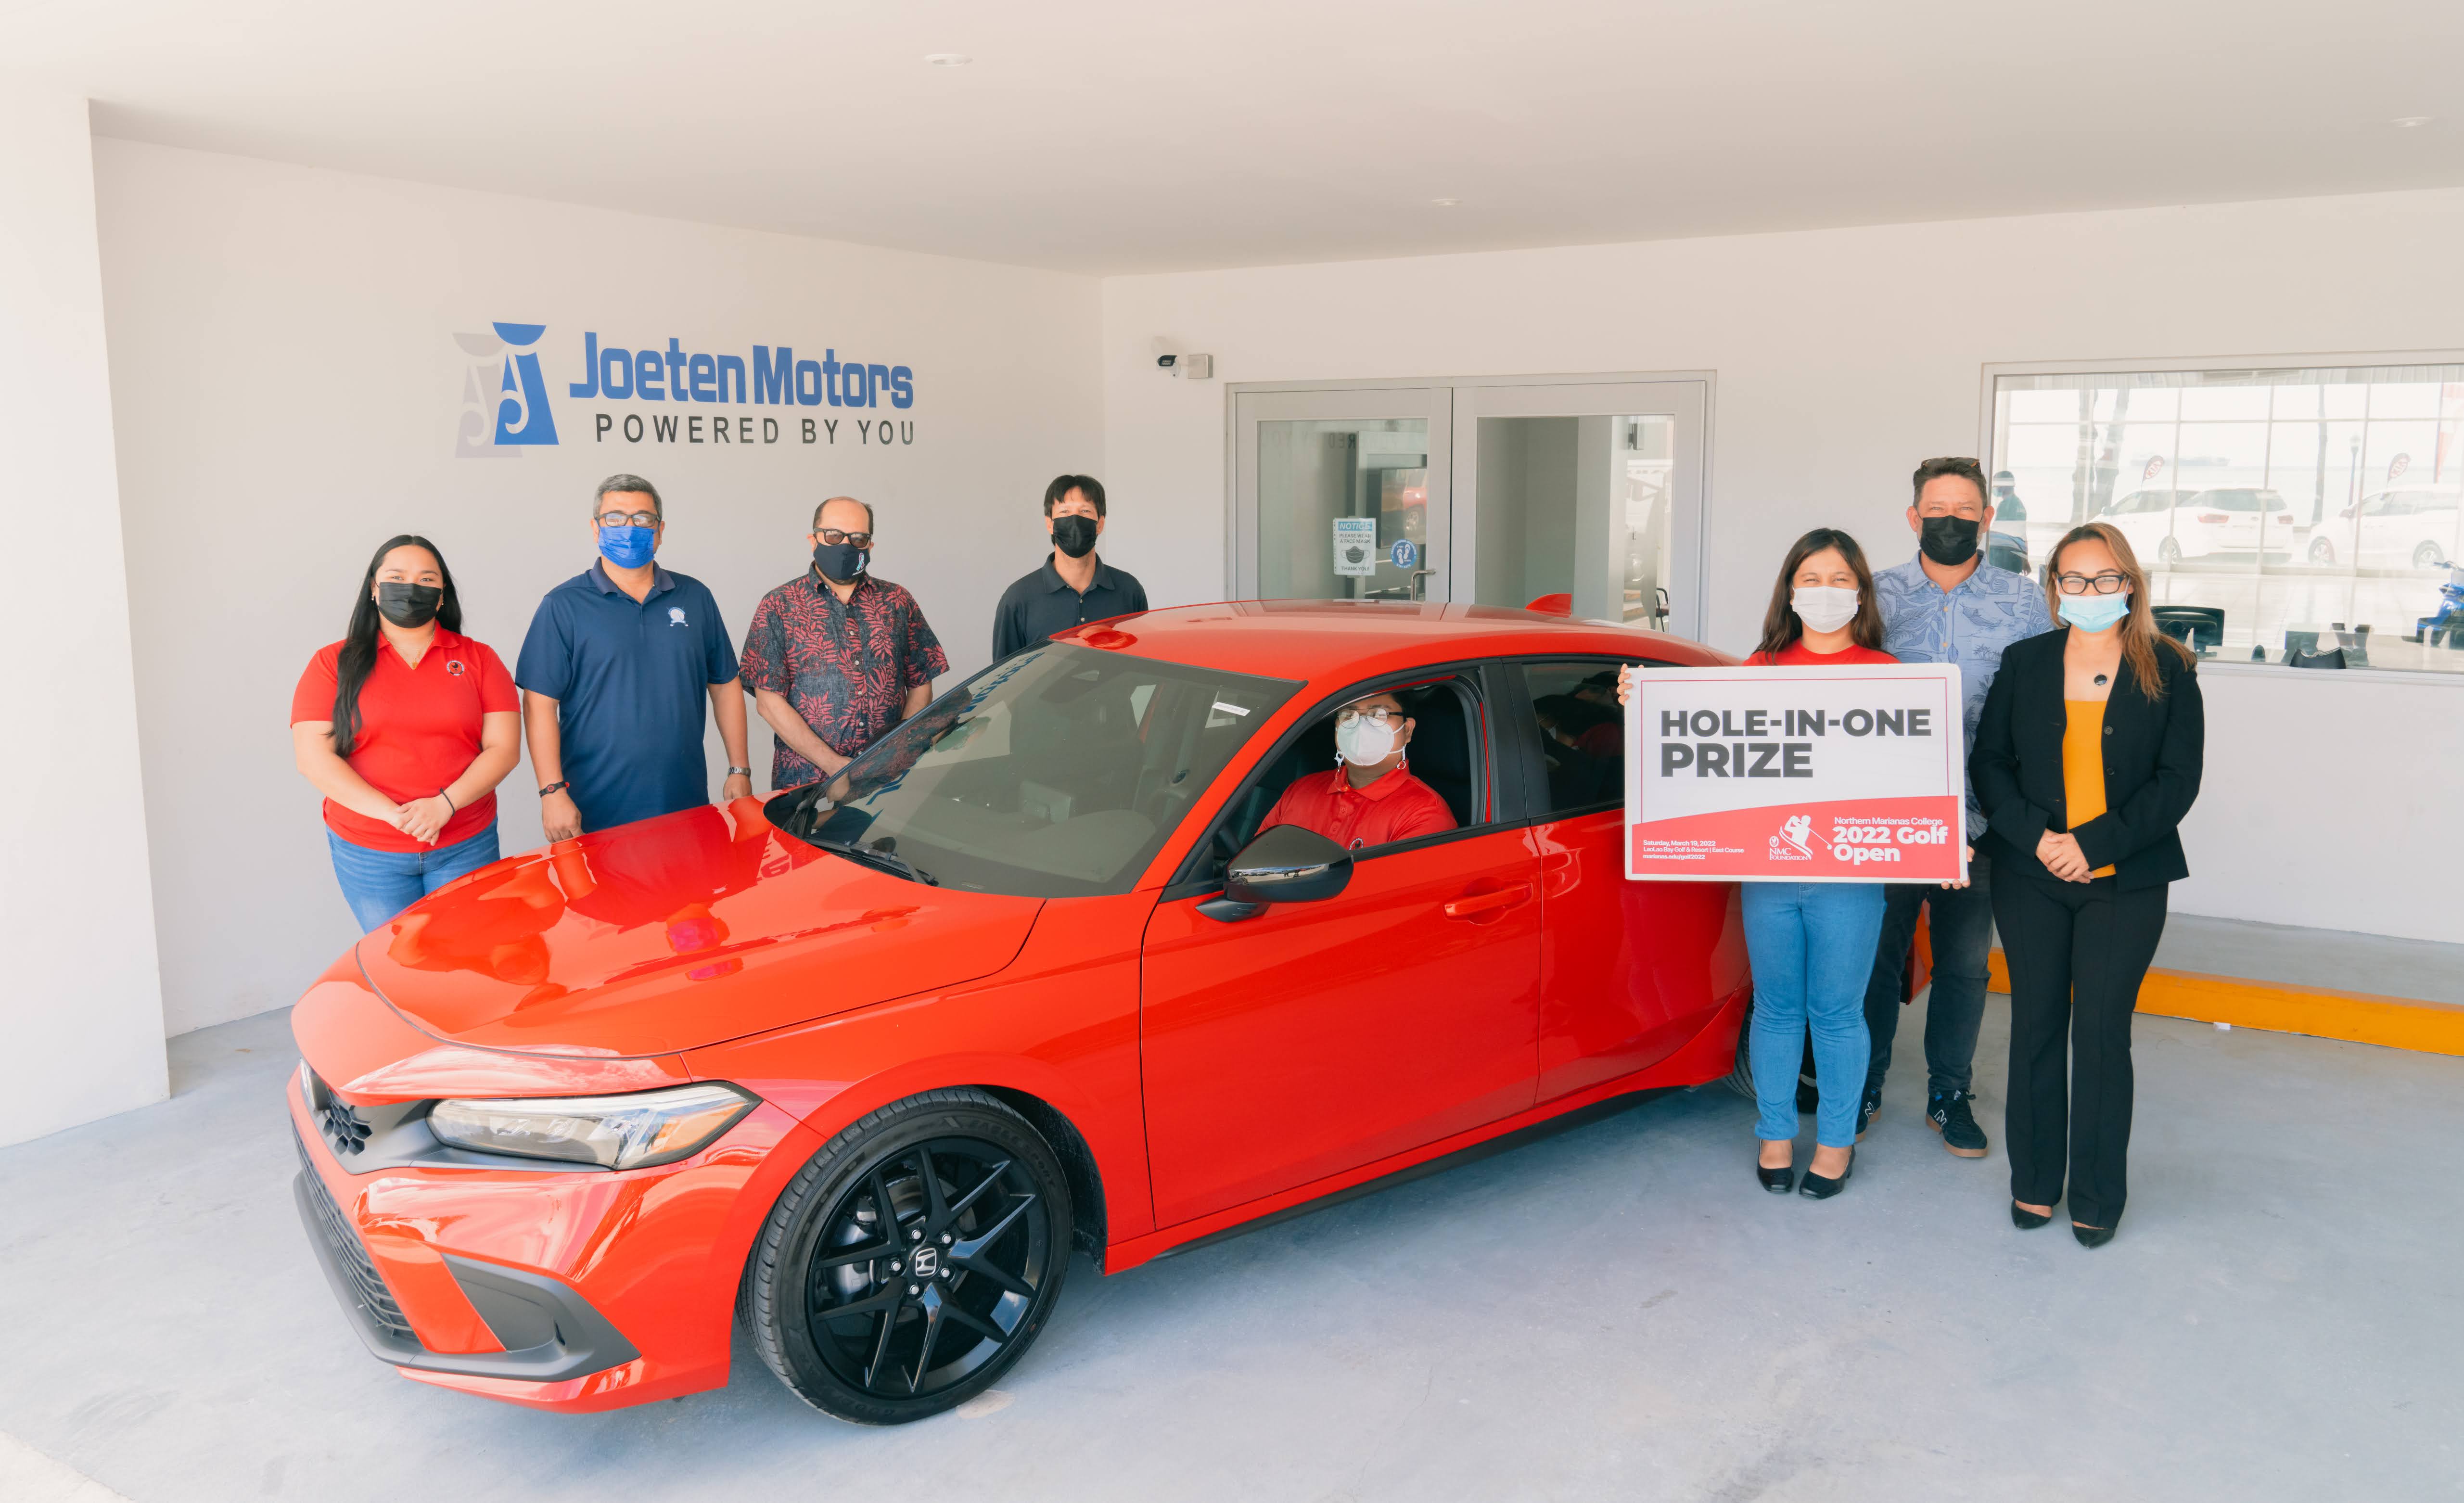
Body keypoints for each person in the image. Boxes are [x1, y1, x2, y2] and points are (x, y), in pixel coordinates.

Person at [1621, 528, 1896, 1197]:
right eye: (1811, 579)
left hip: (1850, 879)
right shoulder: (1760, 668)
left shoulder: (1889, 675)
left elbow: (1908, 777)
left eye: (1839, 579)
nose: (1825, 592)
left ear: (1860, 593)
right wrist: (1645, 706)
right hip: (1769, 875)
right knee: (1776, 1010)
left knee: (1838, 1013)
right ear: (1790, 592)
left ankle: (1836, 1142)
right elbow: (1706, 756)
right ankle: (1774, 1134)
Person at [1971, 522, 2202, 1247]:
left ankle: (2098, 1193)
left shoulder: (2170, 667)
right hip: (2031, 874)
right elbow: (1990, 763)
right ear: (2054, 589)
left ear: (2130, 583)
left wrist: (2092, 846)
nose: (2090, 590)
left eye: (2106, 578)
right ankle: (2035, 1181)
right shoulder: (2025, 661)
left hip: (2125, 880)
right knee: (2035, 1027)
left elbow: (2177, 781)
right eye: (2074, 579)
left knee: (2102, 1035)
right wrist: (2040, 839)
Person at [1863, 456, 2055, 1159]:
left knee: (1966, 964)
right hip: (1887, 815)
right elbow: (1822, 683)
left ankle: (1949, 1093)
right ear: (1913, 517)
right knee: (1877, 958)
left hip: (1983, 817)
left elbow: (2044, 705)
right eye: (1937, 510)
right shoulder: (1874, 595)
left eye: (1965, 510)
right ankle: (1864, 1084)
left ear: (1987, 518)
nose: (1951, 521)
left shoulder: (2023, 601)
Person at [291, 535, 521, 930]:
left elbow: (504, 748)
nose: (411, 588)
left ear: (442, 596)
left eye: (426, 579)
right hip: (370, 850)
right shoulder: (331, 663)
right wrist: (395, 816)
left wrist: (445, 806)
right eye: (396, 577)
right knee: (396, 958)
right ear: (374, 589)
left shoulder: (479, 659)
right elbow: (313, 759)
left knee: (468, 952)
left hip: (465, 843)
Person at [517, 475, 752, 839]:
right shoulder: (563, 606)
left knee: (691, 878)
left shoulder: (695, 597)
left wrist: (739, 769)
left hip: (684, 798)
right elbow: (539, 704)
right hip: (593, 804)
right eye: (615, 518)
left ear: (660, 531)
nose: (629, 528)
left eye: (643, 519)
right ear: (596, 528)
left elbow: (724, 685)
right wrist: (552, 792)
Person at [740, 495, 948, 791]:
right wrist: (833, 765)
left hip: (890, 781)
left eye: (858, 538)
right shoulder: (778, 605)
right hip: (807, 784)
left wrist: (896, 752)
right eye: (834, 535)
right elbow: (769, 702)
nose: (846, 545)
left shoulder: (897, 601)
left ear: (870, 546)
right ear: (813, 540)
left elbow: (921, 682)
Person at [1259, 690, 1456, 850]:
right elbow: (1255, 862)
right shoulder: (1301, 789)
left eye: (1378, 714)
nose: (1361, 727)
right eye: (1348, 715)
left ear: (1407, 730)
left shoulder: (1425, 813)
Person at [991, 474, 1150, 660]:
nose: (1075, 520)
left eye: (1085, 511)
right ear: (1050, 524)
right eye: (1065, 511)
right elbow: (1005, 675)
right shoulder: (1018, 599)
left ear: (1100, 524)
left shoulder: (1129, 590)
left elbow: (1143, 662)